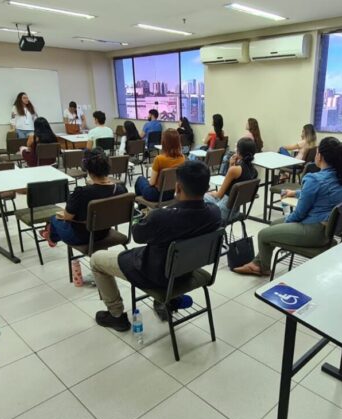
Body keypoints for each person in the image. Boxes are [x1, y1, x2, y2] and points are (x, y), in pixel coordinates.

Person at [89, 161, 221, 330]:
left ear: (178, 187)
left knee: (96, 259)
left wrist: (141, 216)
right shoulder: (214, 213)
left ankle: (116, 315)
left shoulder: (161, 218)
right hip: (186, 271)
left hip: (154, 275)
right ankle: (170, 300)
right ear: (206, 186)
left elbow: (137, 234)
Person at [233, 137, 342, 276]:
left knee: (263, 234)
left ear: (321, 156)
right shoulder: (341, 177)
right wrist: (295, 192)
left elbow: (299, 214)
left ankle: (262, 268)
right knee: (273, 224)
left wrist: (287, 222)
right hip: (327, 230)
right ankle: (257, 263)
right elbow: (319, 193)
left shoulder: (314, 179)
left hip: (315, 232)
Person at [41, 149, 128, 246]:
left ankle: (52, 238)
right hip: (104, 232)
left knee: (54, 219)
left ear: (88, 169)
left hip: (81, 237)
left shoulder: (82, 193)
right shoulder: (121, 190)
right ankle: (51, 236)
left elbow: (67, 217)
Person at [206, 137, 259, 220]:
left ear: (238, 152)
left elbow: (219, 195)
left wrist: (210, 193)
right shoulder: (254, 172)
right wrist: (231, 164)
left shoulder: (235, 170)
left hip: (223, 211)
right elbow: (232, 184)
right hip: (235, 211)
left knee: (201, 197)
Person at [135, 129, 186, 202]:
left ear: (164, 142)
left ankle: (141, 207)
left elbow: (152, 183)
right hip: (173, 193)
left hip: (156, 195)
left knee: (140, 179)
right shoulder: (182, 158)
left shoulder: (159, 159)